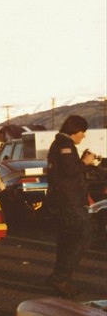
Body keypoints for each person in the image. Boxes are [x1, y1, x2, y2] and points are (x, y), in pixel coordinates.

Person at [46, 115, 95, 298]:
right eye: (83, 132)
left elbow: (67, 170)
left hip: (64, 202)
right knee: (83, 236)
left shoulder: (59, 144)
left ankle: (59, 277)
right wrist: (85, 162)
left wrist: (80, 162)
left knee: (67, 240)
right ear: (75, 131)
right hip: (71, 203)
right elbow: (69, 171)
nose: (83, 136)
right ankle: (60, 278)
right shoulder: (65, 146)